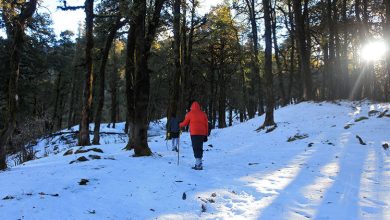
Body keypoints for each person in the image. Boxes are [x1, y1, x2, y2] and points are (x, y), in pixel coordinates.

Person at [179, 101, 208, 170]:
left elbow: (185, 123)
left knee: (195, 147)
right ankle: (199, 162)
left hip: (194, 133)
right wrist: (206, 135)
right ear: (199, 107)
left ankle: (198, 165)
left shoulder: (189, 114)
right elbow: (206, 125)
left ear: (191, 107)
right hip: (202, 133)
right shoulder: (203, 114)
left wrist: (180, 124)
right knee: (200, 147)